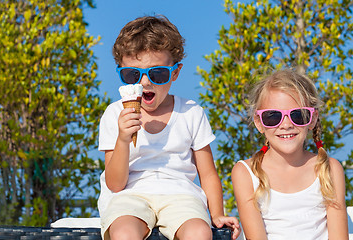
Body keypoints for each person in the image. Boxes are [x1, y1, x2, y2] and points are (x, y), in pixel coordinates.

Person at [98, 15, 240, 240]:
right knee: (124, 232)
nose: (145, 82)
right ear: (121, 73)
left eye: (157, 73)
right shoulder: (114, 114)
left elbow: (208, 174)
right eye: (132, 74)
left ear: (174, 72)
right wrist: (123, 139)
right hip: (129, 195)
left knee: (199, 233)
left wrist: (217, 213)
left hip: (181, 195)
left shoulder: (190, 112)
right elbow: (115, 184)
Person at [231, 69, 348, 240]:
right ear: (259, 123)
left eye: (298, 115)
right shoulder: (245, 173)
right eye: (273, 117)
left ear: (312, 119)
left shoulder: (329, 169)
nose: (286, 124)